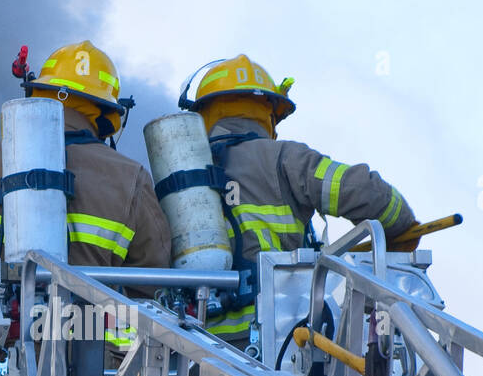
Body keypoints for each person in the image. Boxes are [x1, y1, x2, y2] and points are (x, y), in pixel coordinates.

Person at [179, 53, 419, 344]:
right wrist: (400, 228)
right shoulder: (285, 159)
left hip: (199, 345)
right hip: (277, 343)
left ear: (202, 114)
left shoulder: (178, 177)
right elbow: (366, 192)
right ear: (268, 114)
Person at [0, 40, 170, 274]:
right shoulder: (132, 178)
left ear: (35, 92)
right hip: (89, 332)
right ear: (107, 115)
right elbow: (153, 284)